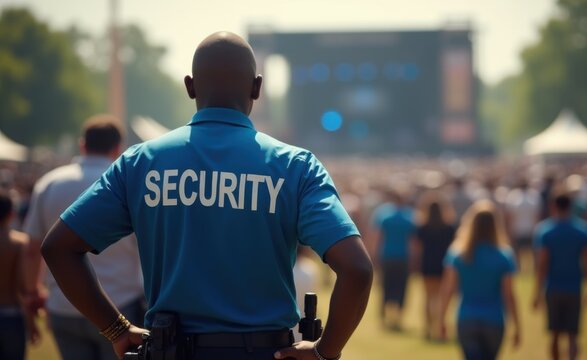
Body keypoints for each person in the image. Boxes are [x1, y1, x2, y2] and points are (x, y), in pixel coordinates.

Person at [41, 31, 373, 360]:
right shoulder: (296, 166)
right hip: (265, 352)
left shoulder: (141, 162)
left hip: (169, 351)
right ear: (257, 88)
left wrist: (115, 328)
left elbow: (58, 247)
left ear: (190, 86)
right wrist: (324, 352)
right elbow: (356, 268)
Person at [23, 115, 146, 360]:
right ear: (117, 147)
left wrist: (32, 292)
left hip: (63, 304)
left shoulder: (50, 183)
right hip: (120, 303)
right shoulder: (128, 181)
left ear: (83, 145)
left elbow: (32, 247)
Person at [439, 200, 521, 360]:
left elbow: (448, 289)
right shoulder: (504, 255)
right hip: (494, 320)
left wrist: (442, 319)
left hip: (466, 318)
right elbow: (509, 295)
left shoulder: (458, 254)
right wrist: (518, 326)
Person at [532, 191, 587, 360]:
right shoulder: (582, 229)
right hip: (574, 287)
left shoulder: (545, 231)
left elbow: (542, 265)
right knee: (573, 335)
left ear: (553, 206)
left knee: (554, 334)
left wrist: (537, 292)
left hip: (553, 287)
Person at [372, 188, 416, 331]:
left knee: (386, 285)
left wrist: (374, 255)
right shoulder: (410, 216)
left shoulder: (384, 214)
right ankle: (398, 316)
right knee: (401, 287)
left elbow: (377, 236)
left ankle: (384, 314)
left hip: (387, 255)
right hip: (403, 257)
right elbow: (412, 241)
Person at [412, 195, 455, 340]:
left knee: (428, 298)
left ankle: (428, 328)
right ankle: (440, 329)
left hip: (428, 264)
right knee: (442, 299)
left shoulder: (423, 227)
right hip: (443, 265)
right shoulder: (449, 228)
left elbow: (417, 247)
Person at [0, 191, 36, 360]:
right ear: (11, 214)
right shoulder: (19, 243)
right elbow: (24, 288)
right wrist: (31, 323)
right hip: (11, 317)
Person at [504, 178, 541, 272]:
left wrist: (509, 230)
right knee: (528, 253)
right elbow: (537, 215)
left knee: (520, 254)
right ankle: (530, 270)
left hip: (521, 229)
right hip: (528, 229)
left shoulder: (514, 196)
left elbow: (509, 216)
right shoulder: (534, 196)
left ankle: (520, 270)